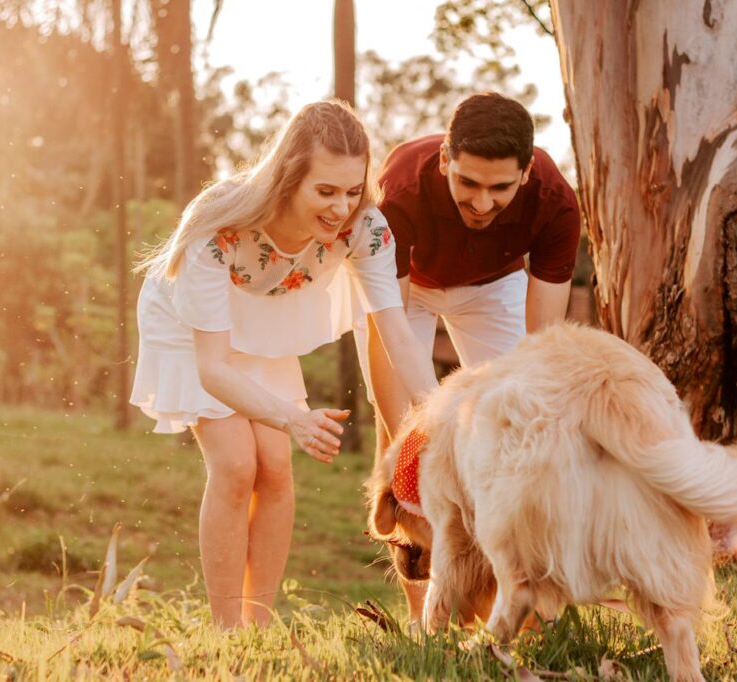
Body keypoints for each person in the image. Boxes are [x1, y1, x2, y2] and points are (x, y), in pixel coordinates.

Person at [131, 100, 438, 630]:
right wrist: (295, 418)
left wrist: (440, 417)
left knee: (275, 466)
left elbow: (397, 335)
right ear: (288, 178)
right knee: (236, 464)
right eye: (325, 191)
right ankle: (228, 631)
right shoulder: (220, 226)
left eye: (351, 190)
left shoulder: (367, 229)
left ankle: (259, 621)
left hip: (265, 320)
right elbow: (213, 367)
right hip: (195, 328)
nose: (341, 207)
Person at [359, 92, 581, 621]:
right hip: (404, 293)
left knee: (513, 436)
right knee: (406, 443)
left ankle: (514, 602)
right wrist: (424, 429)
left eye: (500, 187)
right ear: (444, 162)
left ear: (526, 174)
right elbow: (392, 322)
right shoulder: (403, 189)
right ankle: (423, 617)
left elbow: (539, 352)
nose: (483, 202)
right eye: (468, 184)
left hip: (491, 285)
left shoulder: (556, 204)